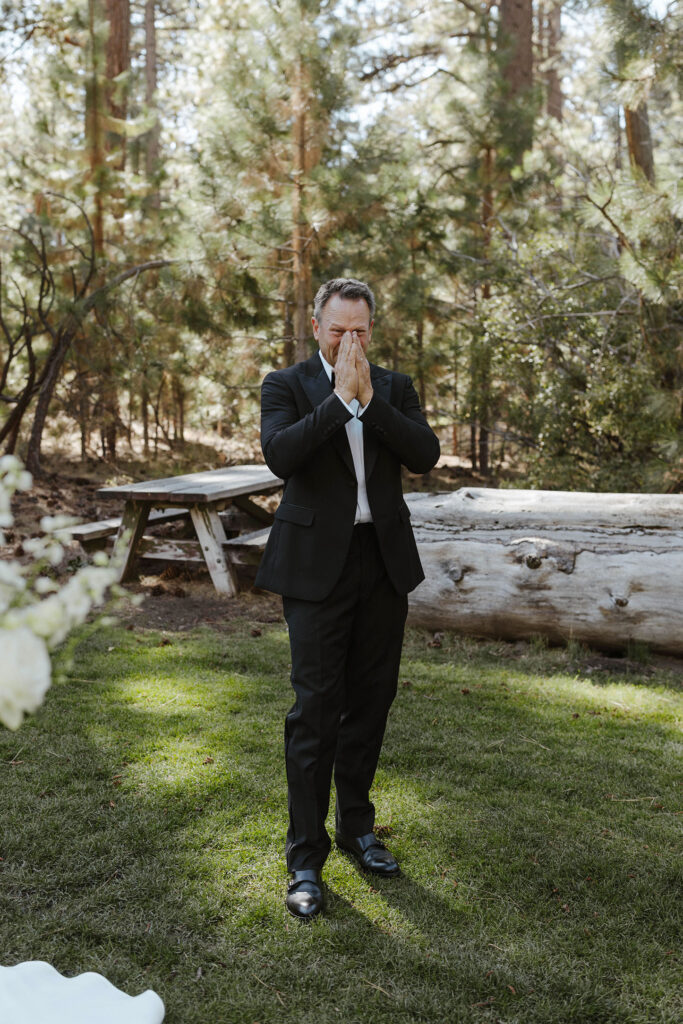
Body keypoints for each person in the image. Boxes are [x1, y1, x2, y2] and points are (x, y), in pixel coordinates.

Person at [255, 277, 440, 920]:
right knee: (315, 710)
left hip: (381, 564)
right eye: (339, 330)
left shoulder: (395, 386)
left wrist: (370, 402)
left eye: (360, 330)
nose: (350, 340)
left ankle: (358, 830)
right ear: (317, 328)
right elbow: (280, 455)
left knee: (371, 702)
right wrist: (339, 401)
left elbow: (425, 454)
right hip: (314, 570)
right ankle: (305, 858)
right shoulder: (285, 384)